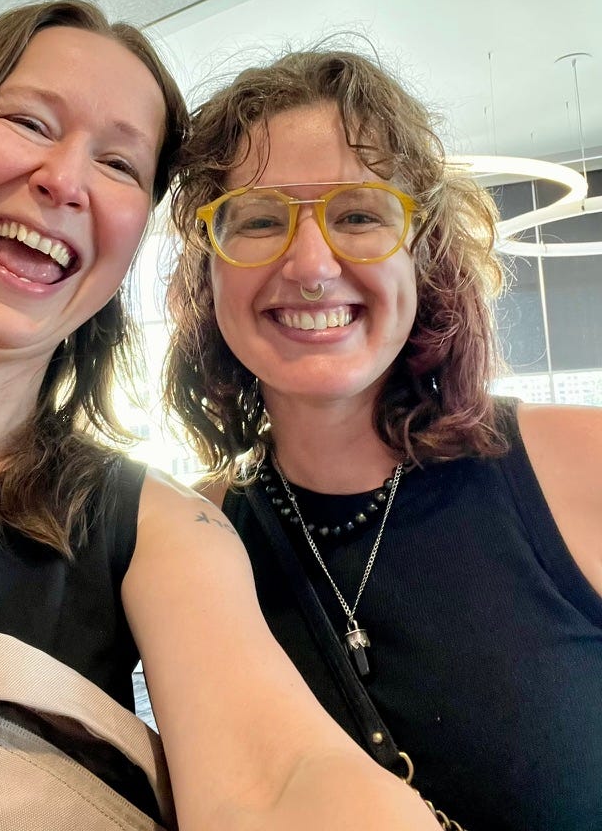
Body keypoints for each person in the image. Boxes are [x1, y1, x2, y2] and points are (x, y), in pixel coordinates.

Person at [0, 2, 439, 831]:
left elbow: (277, 776)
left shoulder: (160, 525)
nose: (65, 180)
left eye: (119, 163)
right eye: (29, 122)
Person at [164, 46, 602, 831]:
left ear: (421, 253)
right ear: (209, 273)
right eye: (259, 220)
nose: (310, 265)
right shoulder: (188, 543)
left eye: (359, 215)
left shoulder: (580, 460)